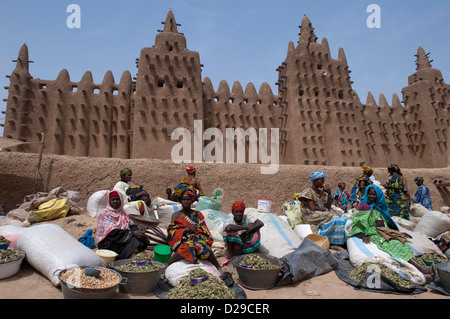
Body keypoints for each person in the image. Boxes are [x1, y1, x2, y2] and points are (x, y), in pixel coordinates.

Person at [346, 185, 434, 282]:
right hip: (374, 232)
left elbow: (387, 222)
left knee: (403, 243)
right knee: (394, 244)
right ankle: (421, 269)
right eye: (369, 194)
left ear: (378, 195)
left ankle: (418, 268)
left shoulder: (380, 205)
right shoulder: (363, 205)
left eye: (374, 194)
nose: (371, 196)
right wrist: (362, 235)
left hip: (385, 230)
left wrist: (396, 233)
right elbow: (356, 222)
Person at [166, 188, 221, 270]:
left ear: (192, 201)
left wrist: (197, 237)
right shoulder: (176, 215)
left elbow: (204, 232)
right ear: (180, 201)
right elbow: (172, 232)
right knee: (188, 245)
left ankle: (218, 267)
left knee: (202, 245)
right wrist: (187, 230)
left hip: (196, 239)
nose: (185, 202)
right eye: (183, 199)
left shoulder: (198, 214)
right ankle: (166, 265)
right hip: (182, 241)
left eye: (188, 199)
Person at [96, 190, 149, 259]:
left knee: (141, 237)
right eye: (113, 199)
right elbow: (112, 233)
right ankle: (131, 258)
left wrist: (137, 231)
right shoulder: (103, 214)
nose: (115, 201)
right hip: (109, 243)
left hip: (121, 238)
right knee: (133, 240)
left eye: (117, 199)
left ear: (121, 201)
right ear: (109, 201)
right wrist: (133, 233)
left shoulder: (121, 212)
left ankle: (135, 254)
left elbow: (130, 224)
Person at [298, 172, 347, 246]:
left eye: (323, 181)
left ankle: (337, 240)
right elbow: (312, 207)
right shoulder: (308, 192)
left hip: (320, 213)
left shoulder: (322, 193)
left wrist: (329, 193)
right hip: (311, 215)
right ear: (315, 181)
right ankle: (325, 236)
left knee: (340, 216)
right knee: (333, 216)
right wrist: (323, 209)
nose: (323, 183)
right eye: (321, 181)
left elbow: (328, 206)